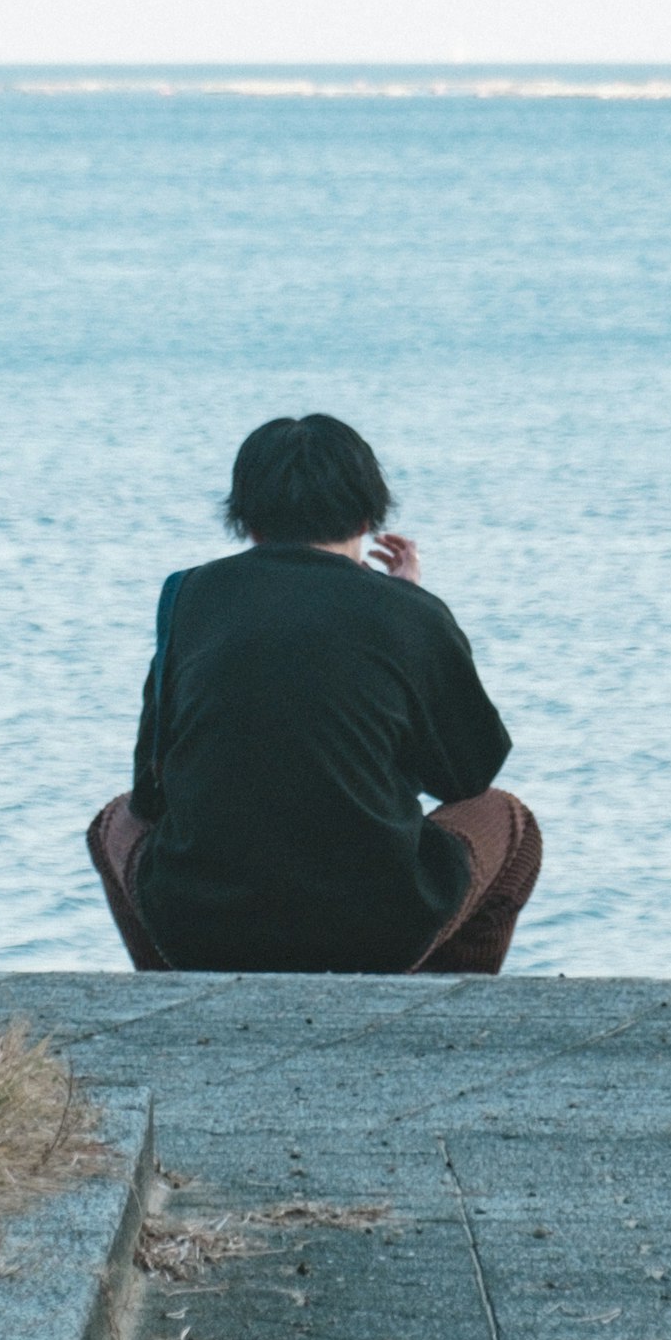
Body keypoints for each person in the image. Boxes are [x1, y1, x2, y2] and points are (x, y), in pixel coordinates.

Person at [86, 414, 542, 974]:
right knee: (509, 820)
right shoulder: (407, 612)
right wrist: (414, 614)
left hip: (206, 928)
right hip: (379, 930)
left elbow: (148, 792)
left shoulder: (188, 596)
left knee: (113, 822)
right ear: (368, 516)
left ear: (246, 520)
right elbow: (468, 778)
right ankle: (435, 1006)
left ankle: (177, 994)